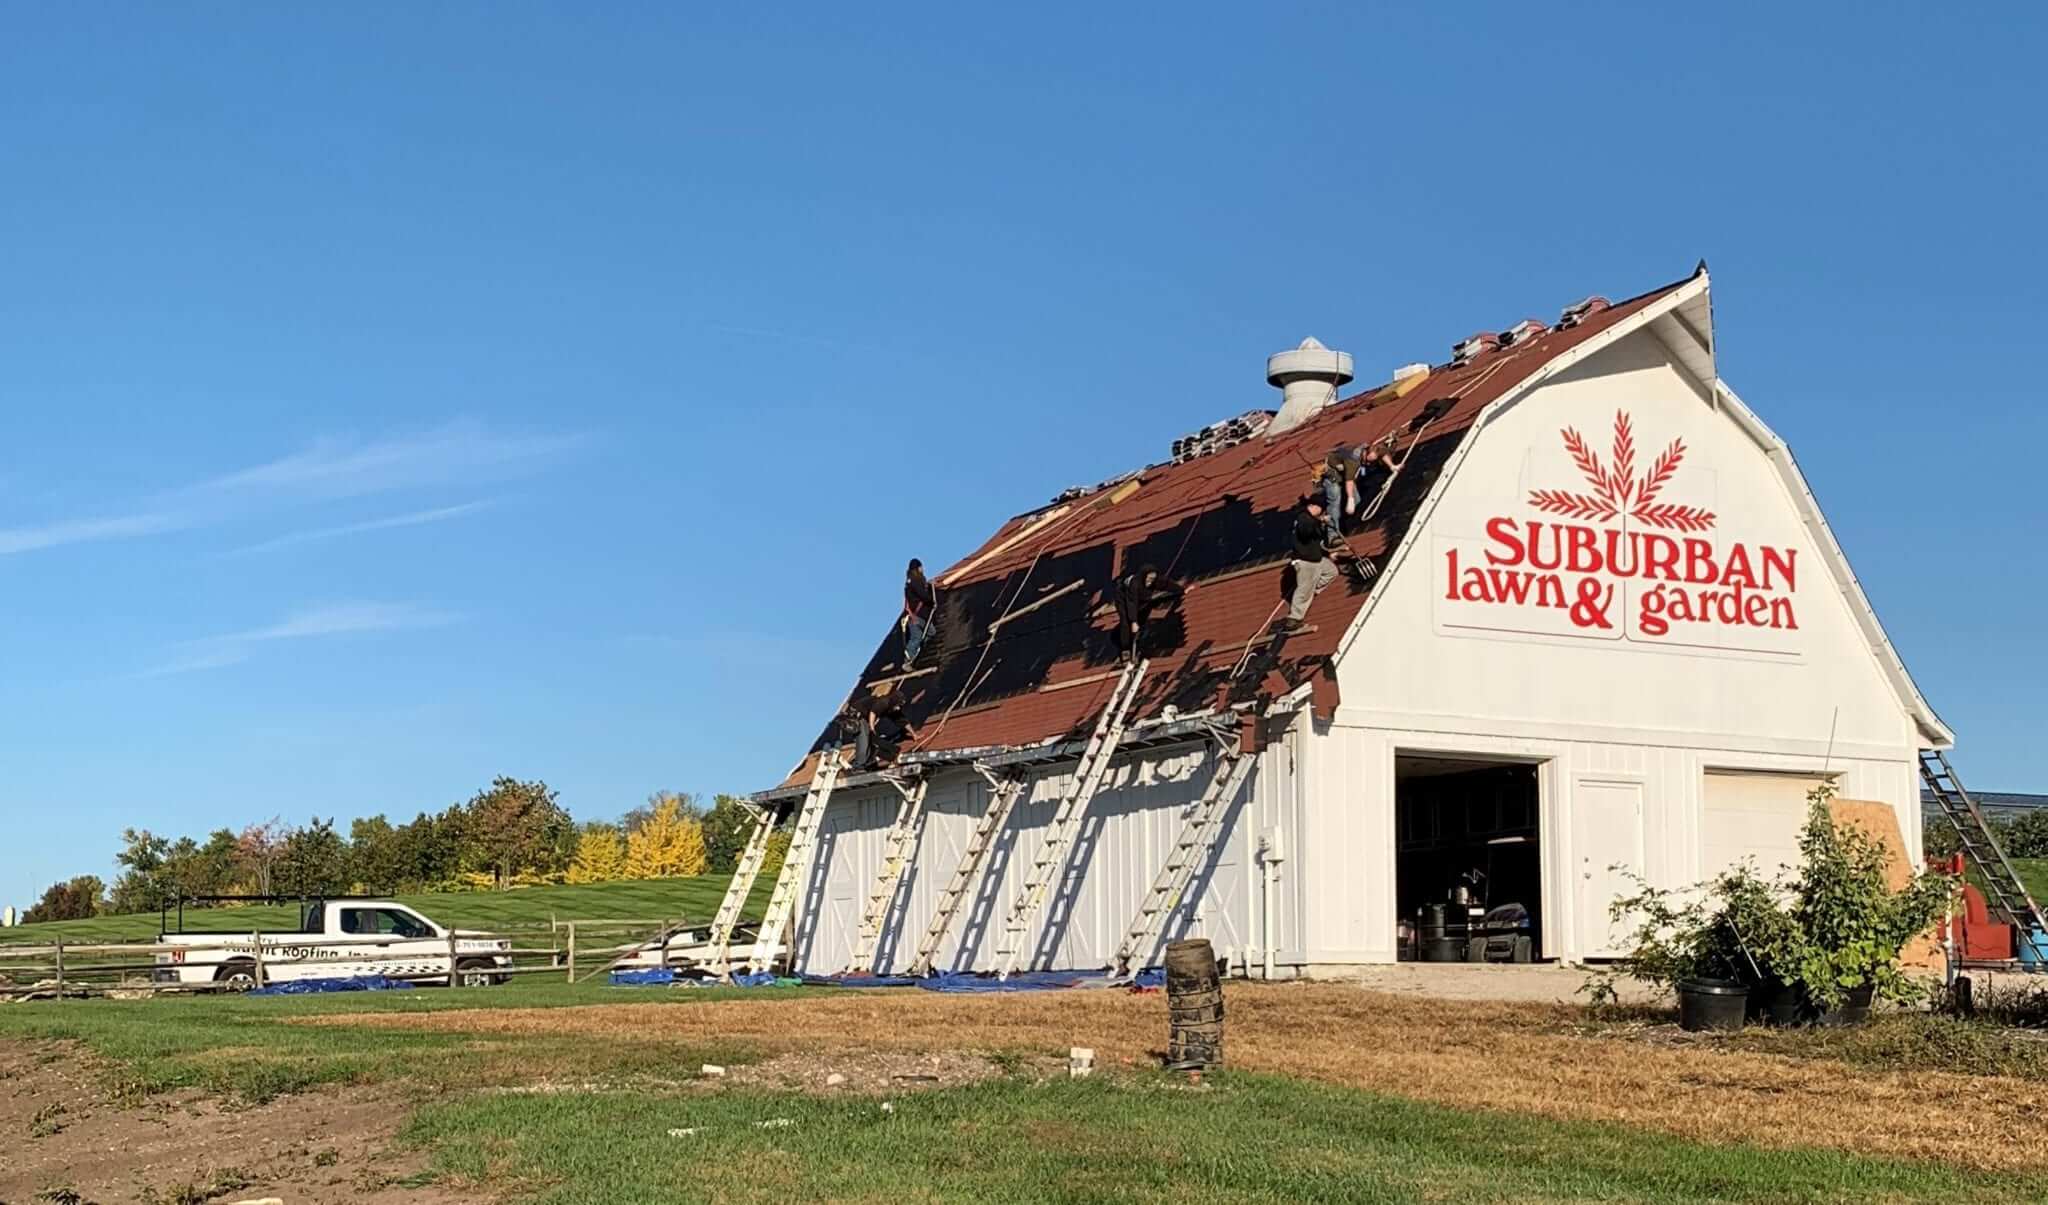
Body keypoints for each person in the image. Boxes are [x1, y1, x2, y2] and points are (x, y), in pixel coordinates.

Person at [1280, 496, 1338, 630]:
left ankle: (1311, 592)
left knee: (1331, 571)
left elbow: (1315, 542)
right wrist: (1320, 522)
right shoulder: (1303, 518)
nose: (1322, 512)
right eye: (1321, 510)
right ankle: (1294, 618)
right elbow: (1306, 533)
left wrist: (1328, 554)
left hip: (1315, 558)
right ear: (1315, 507)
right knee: (1304, 590)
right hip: (1305, 561)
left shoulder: (1311, 520)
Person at [1112, 563, 1184, 664]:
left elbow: (1167, 584)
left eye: (1152, 579)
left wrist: (1182, 590)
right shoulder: (1135, 584)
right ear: (1143, 576)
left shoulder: (1155, 581)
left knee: (1141, 618)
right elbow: (1131, 603)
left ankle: (1136, 643)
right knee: (1126, 621)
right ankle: (1125, 651)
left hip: (1139, 599)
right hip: (1123, 598)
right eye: (1149, 578)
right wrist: (1133, 621)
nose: (1150, 581)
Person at [901, 559, 937, 664]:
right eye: (921, 567)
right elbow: (922, 594)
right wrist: (931, 601)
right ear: (918, 568)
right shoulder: (915, 581)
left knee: (929, 632)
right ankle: (908, 657)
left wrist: (930, 585)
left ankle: (915, 653)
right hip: (916, 616)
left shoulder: (911, 582)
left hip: (915, 615)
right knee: (917, 637)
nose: (923, 569)